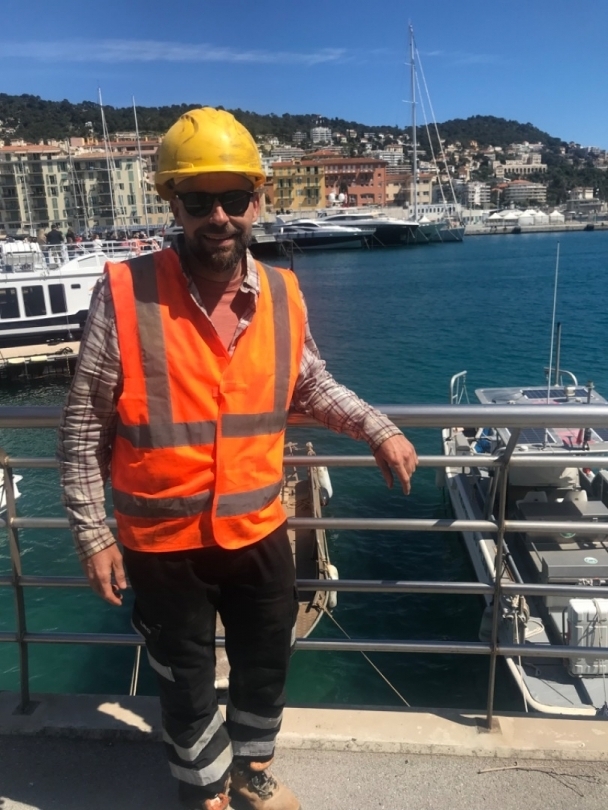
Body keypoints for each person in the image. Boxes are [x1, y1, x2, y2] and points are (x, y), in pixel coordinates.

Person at [57, 107, 417, 810]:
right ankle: (204, 791)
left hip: (258, 529)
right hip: (163, 541)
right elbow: (81, 427)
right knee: (184, 675)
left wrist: (378, 428)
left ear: (258, 200)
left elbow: (310, 383)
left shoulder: (282, 291)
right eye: (198, 201)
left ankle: (252, 772)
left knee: (266, 661)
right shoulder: (124, 292)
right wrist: (93, 535)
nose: (217, 216)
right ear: (173, 204)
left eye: (233, 198)